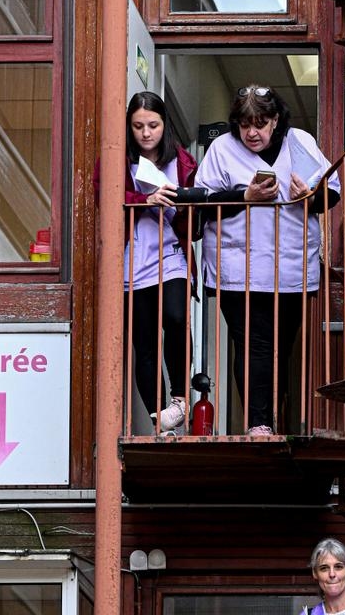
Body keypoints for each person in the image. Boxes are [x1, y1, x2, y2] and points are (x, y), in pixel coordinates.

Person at [194, 86, 340, 436]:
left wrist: (311, 195)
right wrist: (245, 196)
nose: (252, 133)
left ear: (276, 120)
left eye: (260, 123)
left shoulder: (299, 141)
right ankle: (258, 422)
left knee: (282, 348)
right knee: (252, 345)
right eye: (245, 124)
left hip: (290, 268)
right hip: (238, 270)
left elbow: (328, 193)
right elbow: (202, 200)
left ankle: (275, 415)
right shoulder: (222, 149)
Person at [116, 92, 198, 435]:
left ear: (165, 125)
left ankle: (179, 399)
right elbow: (104, 195)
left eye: (153, 125)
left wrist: (181, 203)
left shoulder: (181, 161)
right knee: (144, 343)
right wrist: (142, 199)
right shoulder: (117, 159)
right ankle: (158, 420)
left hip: (171, 254)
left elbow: (197, 218)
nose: (146, 133)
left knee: (177, 318)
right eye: (138, 126)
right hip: (131, 260)